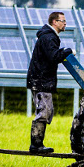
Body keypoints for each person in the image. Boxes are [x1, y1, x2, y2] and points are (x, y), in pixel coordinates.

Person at [26, 11, 72, 154]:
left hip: (41, 80)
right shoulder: (49, 37)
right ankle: (36, 145)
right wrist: (68, 51)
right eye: (62, 21)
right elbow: (53, 56)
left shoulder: (48, 36)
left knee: (46, 110)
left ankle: (38, 144)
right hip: (41, 81)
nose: (65, 24)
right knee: (44, 111)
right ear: (54, 22)